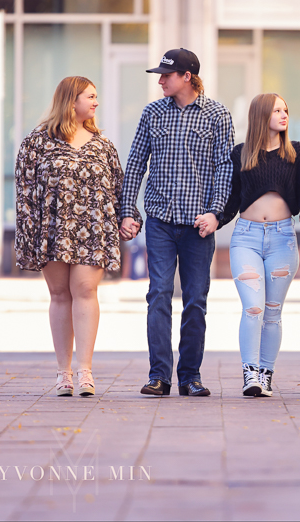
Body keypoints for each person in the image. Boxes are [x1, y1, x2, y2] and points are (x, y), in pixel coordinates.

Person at [120, 48, 235, 397]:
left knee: (196, 300)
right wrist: (128, 211)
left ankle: (190, 377)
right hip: (160, 222)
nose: (160, 80)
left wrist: (216, 213)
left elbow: (224, 168)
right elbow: (136, 163)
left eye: (166, 75)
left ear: (187, 76)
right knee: (158, 295)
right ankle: (159, 376)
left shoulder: (217, 115)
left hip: (199, 226)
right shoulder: (153, 113)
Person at [15, 76, 135, 397]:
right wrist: (28, 233)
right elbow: (24, 192)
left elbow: (119, 188)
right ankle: (63, 372)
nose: (96, 102)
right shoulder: (36, 142)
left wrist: (128, 219)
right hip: (52, 229)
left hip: (94, 228)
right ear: (71, 100)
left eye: (96, 97)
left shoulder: (103, 145)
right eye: (90, 96)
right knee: (59, 295)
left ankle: (85, 370)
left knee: (85, 289)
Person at [220, 93, 300, 397]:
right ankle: (250, 374)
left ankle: (266, 372)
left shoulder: (296, 153)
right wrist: (214, 219)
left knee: (272, 312)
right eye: (277, 110)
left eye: (286, 109)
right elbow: (232, 200)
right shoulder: (241, 154)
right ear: (262, 115)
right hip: (246, 237)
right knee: (253, 308)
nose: (284, 114)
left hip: (282, 239)